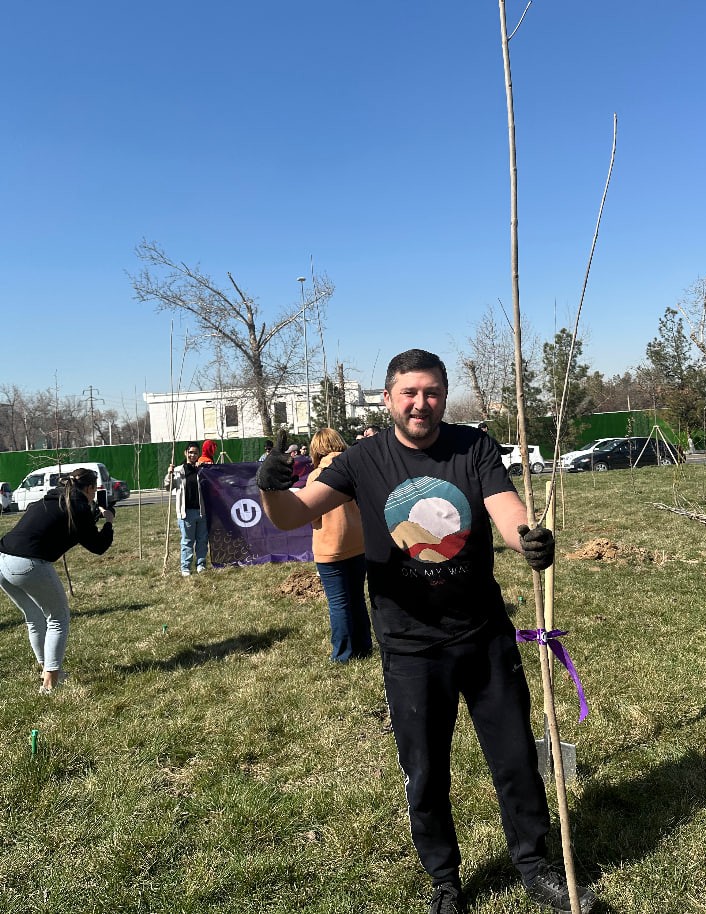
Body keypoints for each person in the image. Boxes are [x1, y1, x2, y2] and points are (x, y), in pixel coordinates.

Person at [257, 349, 595, 914]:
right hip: (410, 646)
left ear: (444, 396)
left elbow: (505, 510)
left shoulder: (473, 447)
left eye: (432, 392)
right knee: (426, 772)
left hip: (483, 634)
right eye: (409, 393)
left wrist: (527, 539)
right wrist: (271, 488)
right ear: (388, 399)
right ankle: (446, 884)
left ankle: (535, 866)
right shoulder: (361, 460)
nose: (421, 403)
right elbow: (292, 514)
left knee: (515, 758)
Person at [0, 467, 116, 693]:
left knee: (34, 617)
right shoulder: (78, 507)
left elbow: (70, 523)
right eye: (94, 491)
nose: (94, 495)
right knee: (58, 618)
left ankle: (47, 669)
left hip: (3, 559)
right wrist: (109, 522)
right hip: (28, 562)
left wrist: (94, 515)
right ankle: (50, 684)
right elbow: (98, 546)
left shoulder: (52, 499)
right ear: (89, 488)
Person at [307, 427, 372, 663]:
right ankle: (364, 646)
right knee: (357, 597)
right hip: (359, 543)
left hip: (330, 548)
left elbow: (311, 514)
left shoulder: (316, 476)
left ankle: (342, 654)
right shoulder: (356, 469)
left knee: (338, 603)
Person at [165, 443, 209, 576]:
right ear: (185, 453)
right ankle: (185, 567)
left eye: (195, 453)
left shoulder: (201, 470)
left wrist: (203, 469)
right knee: (187, 541)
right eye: (190, 452)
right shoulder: (178, 470)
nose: (192, 455)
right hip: (186, 512)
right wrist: (169, 474)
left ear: (198, 454)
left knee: (202, 540)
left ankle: (201, 565)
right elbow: (168, 487)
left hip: (201, 511)